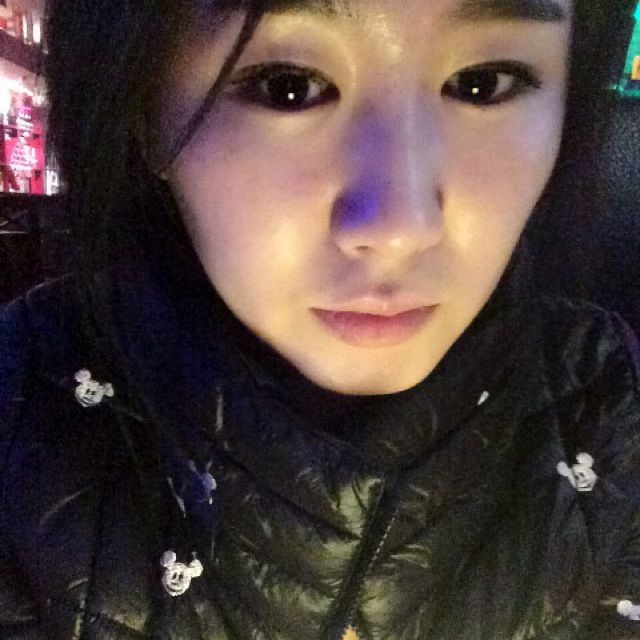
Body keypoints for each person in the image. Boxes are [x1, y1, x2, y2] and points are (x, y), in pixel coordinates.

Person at [1, 0, 639, 638]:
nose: (399, 226)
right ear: (143, 112)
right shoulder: (20, 424)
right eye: (288, 87)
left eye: (482, 83)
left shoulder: (612, 416)